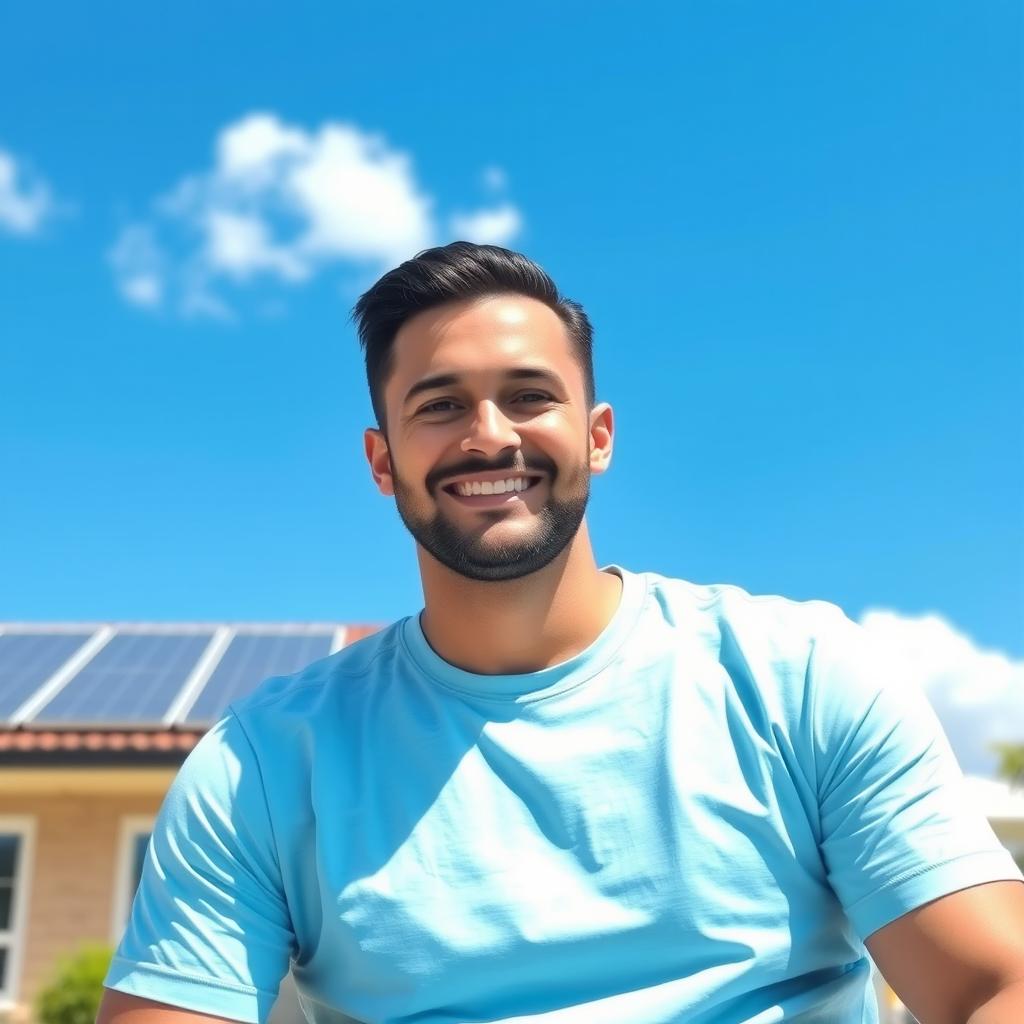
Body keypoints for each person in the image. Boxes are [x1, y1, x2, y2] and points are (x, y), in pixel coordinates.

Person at [99, 243, 1024, 1024]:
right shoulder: (264, 764)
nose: (489, 436)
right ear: (383, 461)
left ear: (598, 436)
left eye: (530, 396)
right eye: (440, 404)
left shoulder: (799, 676)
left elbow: (995, 979)